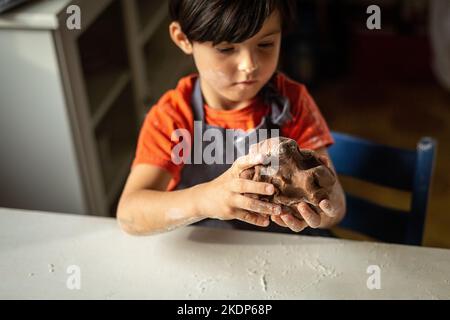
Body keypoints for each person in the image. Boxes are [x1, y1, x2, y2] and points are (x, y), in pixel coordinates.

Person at [117, 0, 346, 236]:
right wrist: (204, 200)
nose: (249, 65)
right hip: (210, 253)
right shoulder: (173, 117)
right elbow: (129, 215)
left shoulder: (291, 103)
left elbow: (336, 210)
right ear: (183, 38)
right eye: (226, 49)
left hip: (283, 249)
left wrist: (325, 205)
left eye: (266, 44)